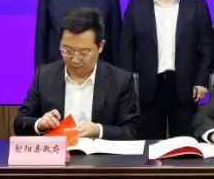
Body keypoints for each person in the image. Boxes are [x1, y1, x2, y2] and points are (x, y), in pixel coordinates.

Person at [119, 0, 213, 140]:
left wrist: (202, 81)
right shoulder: (136, 7)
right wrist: (129, 86)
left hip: (186, 86)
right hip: (147, 87)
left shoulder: (197, 5)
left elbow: (207, 47)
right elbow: (126, 50)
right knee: (150, 144)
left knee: (185, 143)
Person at [14, 7, 139, 139]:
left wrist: (99, 130)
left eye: (84, 53)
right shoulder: (44, 76)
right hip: (58, 152)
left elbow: (131, 131)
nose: (75, 59)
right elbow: (20, 122)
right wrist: (40, 124)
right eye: (67, 50)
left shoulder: (120, 81)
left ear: (100, 46)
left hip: (99, 152)